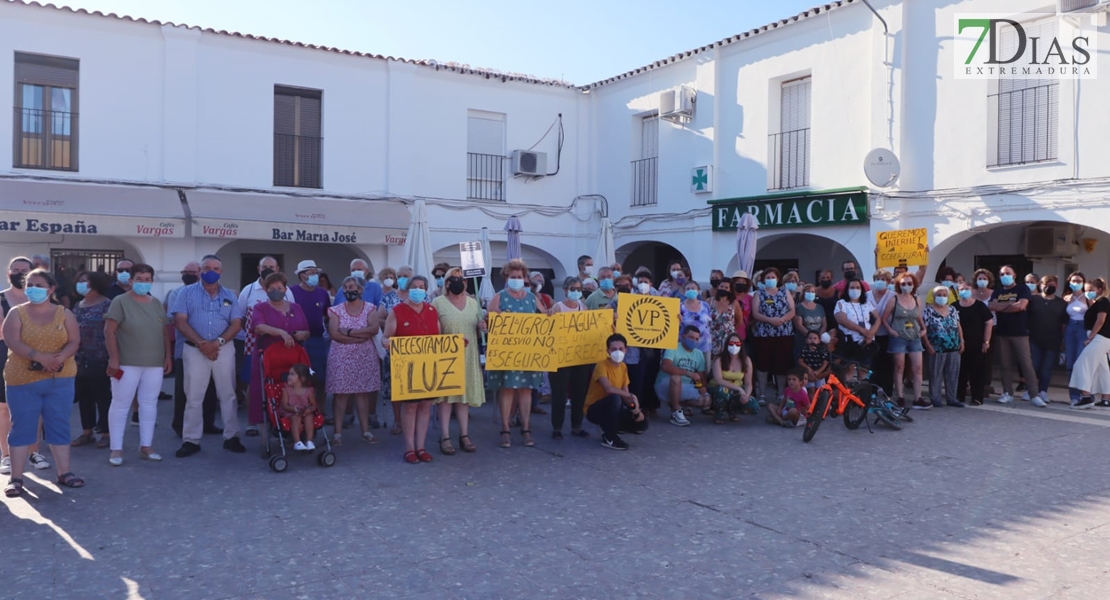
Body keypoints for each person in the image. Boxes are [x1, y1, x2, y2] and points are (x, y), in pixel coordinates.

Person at [2, 268, 83, 497]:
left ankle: (64, 473)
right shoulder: (16, 313)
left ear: (51, 289)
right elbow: (12, 341)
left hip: (60, 378)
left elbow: (74, 341)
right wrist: (40, 358)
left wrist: (58, 358)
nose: (33, 289)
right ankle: (16, 479)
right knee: (22, 428)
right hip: (22, 379)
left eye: (38, 285)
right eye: (30, 284)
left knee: (58, 424)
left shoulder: (64, 313)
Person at [171, 254, 245, 458]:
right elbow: (180, 321)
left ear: (221, 272)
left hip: (224, 349)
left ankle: (232, 437)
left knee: (228, 394)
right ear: (200, 270)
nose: (211, 272)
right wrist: (202, 344)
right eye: (206, 268)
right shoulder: (185, 293)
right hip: (194, 350)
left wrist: (217, 343)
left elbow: (236, 323)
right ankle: (191, 440)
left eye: (215, 268)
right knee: (194, 396)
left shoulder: (230, 294)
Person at [0, 257, 51, 476]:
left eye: (24, 270)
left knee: (35, 407)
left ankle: (34, 452)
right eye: (15, 269)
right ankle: (6, 456)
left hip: (38, 358)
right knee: (4, 408)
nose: (19, 273)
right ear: (8, 272)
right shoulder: (2, 299)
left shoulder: (43, 300)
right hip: (5, 356)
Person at [382, 275, 439, 462]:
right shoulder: (397, 311)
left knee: (425, 406)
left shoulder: (431, 310)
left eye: (422, 287)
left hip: (428, 366)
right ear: (408, 288)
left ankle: (421, 447)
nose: (418, 290)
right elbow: (386, 336)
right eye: (414, 286)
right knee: (410, 406)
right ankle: (409, 448)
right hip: (406, 367)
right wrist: (387, 343)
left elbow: (440, 338)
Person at [487, 259, 543, 448]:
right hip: (507, 353)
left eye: (520, 277)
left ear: (525, 278)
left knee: (526, 389)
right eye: (513, 277)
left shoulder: (531, 298)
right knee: (507, 388)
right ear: (506, 277)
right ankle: (505, 428)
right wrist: (494, 317)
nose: (517, 280)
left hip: (528, 351)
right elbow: (488, 321)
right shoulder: (499, 297)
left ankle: (526, 427)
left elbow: (546, 318)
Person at [238, 256, 294, 437]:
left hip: (281, 347)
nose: (268, 269)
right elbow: (240, 318)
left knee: (279, 383)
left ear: (278, 268)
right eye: (265, 267)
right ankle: (253, 422)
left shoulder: (287, 291)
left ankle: (277, 417)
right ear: (258, 268)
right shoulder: (248, 290)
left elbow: (292, 314)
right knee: (252, 384)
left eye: (272, 266)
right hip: (253, 346)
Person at [432, 267, 485, 454]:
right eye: (453, 278)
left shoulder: (474, 303)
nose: (457, 281)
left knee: (463, 398)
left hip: (469, 354)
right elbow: (433, 331)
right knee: (446, 398)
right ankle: (445, 436)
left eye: (461, 278)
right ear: (446, 282)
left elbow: (479, 333)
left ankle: (464, 434)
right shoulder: (437, 303)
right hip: (446, 356)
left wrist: (482, 328)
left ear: (466, 282)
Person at [168, 262, 221, 438]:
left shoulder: (216, 293)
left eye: (193, 272)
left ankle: (207, 423)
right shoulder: (177, 293)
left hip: (212, 350)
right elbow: (177, 321)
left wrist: (210, 344)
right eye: (186, 272)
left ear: (199, 273)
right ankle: (181, 426)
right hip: (186, 348)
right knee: (185, 391)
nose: (189, 274)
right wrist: (202, 343)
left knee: (210, 389)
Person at [326, 276, 380, 446]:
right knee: (341, 394)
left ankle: (365, 430)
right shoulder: (336, 310)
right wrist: (357, 337)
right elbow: (334, 333)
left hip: (364, 357)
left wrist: (349, 332)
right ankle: (337, 433)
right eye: (346, 287)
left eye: (353, 287)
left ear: (361, 290)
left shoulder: (370, 308)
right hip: (341, 357)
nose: (350, 290)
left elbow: (373, 329)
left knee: (363, 393)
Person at [71, 271, 112, 449]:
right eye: (79, 281)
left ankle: (106, 433)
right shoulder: (78, 305)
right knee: (84, 397)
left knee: (102, 398)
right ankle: (87, 432)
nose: (80, 284)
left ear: (95, 283)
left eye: (84, 281)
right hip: (79, 359)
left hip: (101, 357)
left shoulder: (107, 305)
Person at [987, 265, 1040, 406]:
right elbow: (991, 306)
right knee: (1005, 365)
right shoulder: (997, 291)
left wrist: (1002, 306)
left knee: (1026, 364)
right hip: (1002, 332)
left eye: (1007, 273)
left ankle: (1034, 394)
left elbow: (1021, 306)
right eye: (1002, 274)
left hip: (1020, 333)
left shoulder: (1023, 289)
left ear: (1014, 275)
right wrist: (1010, 304)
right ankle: (1007, 393)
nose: (1005, 276)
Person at [584, 334, 647, 450]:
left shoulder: (623, 367)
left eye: (621, 349)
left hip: (614, 406)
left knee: (642, 423)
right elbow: (609, 389)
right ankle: (609, 437)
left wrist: (636, 409)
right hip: (594, 409)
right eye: (614, 349)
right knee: (614, 398)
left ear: (626, 350)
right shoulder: (601, 365)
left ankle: (614, 426)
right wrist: (630, 395)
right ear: (608, 351)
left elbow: (625, 394)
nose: (618, 352)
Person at [548, 277, 592, 440]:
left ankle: (577, 426)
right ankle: (557, 427)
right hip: (560, 358)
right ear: (565, 290)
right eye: (573, 289)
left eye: (579, 289)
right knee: (559, 394)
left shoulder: (583, 307)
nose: (576, 292)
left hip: (580, 356)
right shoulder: (557, 307)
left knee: (579, 392)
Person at [378, 265, 417, 435]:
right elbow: (378, 317)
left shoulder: (421, 297)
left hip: (417, 350)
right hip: (395, 349)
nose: (402, 279)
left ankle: (413, 420)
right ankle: (398, 420)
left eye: (406, 276)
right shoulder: (388, 298)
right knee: (396, 386)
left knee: (415, 386)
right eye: (399, 276)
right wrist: (391, 325)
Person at [751, 267, 796, 402]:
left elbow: (792, 310)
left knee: (781, 365)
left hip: (784, 333)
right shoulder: (759, 294)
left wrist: (782, 320)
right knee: (763, 364)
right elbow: (755, 313)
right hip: (764, 334)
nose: (771, 280)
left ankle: (781, 393)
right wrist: (771, 320)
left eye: (773, 277)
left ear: (778, 279)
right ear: (764, 280)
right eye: (768, 278)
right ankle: (763, 394)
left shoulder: (785, 292)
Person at [883, 273, 927, 409]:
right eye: (903, 284)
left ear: (913, 285)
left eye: (909, 283)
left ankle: (917, 398)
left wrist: (924, 329)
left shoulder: (916, 299)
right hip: (899, 336)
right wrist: (891, 331)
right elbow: (884, 318)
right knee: (899, 367)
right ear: (898, 285)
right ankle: (900, 396)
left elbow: (918, 317)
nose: (906, 286)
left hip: (914, 336)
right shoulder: (894, 300)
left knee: (918, 368)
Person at [654, 325, 711, 427]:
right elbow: (665, 366)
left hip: (685, 386)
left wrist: (702, 387)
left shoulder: (699, 354)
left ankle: (681, 405)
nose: (694, 340)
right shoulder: (674, 347)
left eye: (696, 339)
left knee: (706, 400)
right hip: (665, 384)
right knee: (676, 378)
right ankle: (676, 411)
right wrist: (687, 373)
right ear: (683, 336)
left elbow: (702, 377)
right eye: (691, 337)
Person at [291, 260, 331, 402]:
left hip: (318, 340)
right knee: (299, 377)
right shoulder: (291, 292)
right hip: (298, 341)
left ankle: (319, 412)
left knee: (320, 378)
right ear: (302, 275)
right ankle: (299, 408)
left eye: (316, 273)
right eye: (311, 273)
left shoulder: (323, 293)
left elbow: (328, 316)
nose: (315, 276)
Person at [1070, 278, 1110, 410]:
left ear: (1099, 290)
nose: (1088, 292)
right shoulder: (1098, 302)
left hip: (1099, 338)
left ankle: (1086, 397)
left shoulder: (1102, 301)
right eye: (1086, 290)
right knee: (1103, 369)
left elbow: (1101, 320)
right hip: (1102, 339)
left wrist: (1090, 337)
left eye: (1091, 290)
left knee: (1081, 365)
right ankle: (1106, 399)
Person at [922, 285, 965, 408]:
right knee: (935, 374)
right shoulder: (928, 311)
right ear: (934, 297)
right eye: (939, 295)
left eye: (944, 295)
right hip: (936, 349)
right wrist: (928, 345)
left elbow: (958, 326)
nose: (942, 297)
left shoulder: (952, 309)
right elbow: (923, 329)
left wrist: (962, 341)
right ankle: (935, 399)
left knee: (953, 374)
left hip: (953, 347)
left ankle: (952, 398)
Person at [1027, 275, 1067, 405]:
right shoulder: (1033, 300)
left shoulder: (1061, 303)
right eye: (1045, 284)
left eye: (1052, 284)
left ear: (1056, 286)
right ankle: (1031, 390)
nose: (1048, 287)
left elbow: (1064, 323)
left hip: (1053, 340)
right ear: (1040, 285)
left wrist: (1063, 342)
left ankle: (1043, 391)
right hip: (1034, 338)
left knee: (1047, 368)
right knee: (1033, 366)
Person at [954, 282, 993, 406]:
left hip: (977, 344)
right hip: (959, 345)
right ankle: (959, 396)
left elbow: (989, 322)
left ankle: (977, 397)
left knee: (977, 372)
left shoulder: (979, 306)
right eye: (961, 289)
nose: (964, 291)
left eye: (966, 289)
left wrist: (986, 341)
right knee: (960, 372)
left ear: (971, 290)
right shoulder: (954, 306)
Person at [834, 279, 881, 376]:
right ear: (847, 290)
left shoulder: (867, 303)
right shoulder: (841, 303)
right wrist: (863, 331)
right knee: (848, 370)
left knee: (864, 371)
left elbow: (878, 319)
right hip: (849, 343)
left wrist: (870, 334)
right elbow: (842, 320)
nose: (855, 289)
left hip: (866, 342)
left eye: (857, 287)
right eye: (852, 287)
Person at [709, 333, 757, 424]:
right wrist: (739, 388)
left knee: (754, 407)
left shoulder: (746, 360)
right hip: (719, 388)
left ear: (741, 345)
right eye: (731, 344)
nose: (734, 346)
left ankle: (732, 410)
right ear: (727, 344)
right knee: (722, 391)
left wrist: (746, 395)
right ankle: (718, 413)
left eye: (737, 344)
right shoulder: (719, 359)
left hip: (736, 391)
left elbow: (748, 383)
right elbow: (719, 380)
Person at [867, 270, 897, 397]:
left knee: (887, 365)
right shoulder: (867, 295)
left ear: (889, 281)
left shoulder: (893, 295)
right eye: (878, 278)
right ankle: (872, 392)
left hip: (887, 334)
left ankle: (887, 393)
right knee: (873, 364)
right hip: (871, 334)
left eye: (883, 279)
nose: (880, 281)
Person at [1063, 272, 1090, 406]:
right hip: (1070, 328)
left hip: (1083, 329)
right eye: (1073, 281)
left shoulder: (1087, 296)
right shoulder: (1067, 298)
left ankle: (1084, 394)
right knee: (1070, 363)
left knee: (1080, 362)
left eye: (1079, 281)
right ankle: (1073, 395)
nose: (1076, 283)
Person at [280, 363, 318, 451]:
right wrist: (293, 409)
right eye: (289, 374)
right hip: (290, 412)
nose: (289, 376)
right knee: (296, 417)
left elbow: (314, 404)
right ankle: (297, 442)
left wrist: (309, 410)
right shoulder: (287, 390)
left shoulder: (308, 391)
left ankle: (309, 441)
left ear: (302, 378)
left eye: (292, 374)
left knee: (309, 417)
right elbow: (284, 405)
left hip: (304, 411)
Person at [679, 280, 712, 368]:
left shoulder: (705, 305)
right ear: (684, 291)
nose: (690, 290)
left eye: (693, 288)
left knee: (705, 369)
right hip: (687, 344)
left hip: (704, 343)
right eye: (688, 289)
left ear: (698, 290)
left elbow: (709, 322)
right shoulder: (679, 306)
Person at [709, 278, 740, 358]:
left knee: (727, 361)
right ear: (718, 287)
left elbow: (739, 321)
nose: (723, 289)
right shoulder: (709, 301)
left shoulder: (734, 303)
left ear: (730, 290)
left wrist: (729, 329)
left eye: (726, 287)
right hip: (712, 337)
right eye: (721, 286)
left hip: (728, 337)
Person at [793, 284, 826, 359]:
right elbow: (799, 325)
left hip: (818, 342)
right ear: (804, 293)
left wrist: (818, 337)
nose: (810, 293)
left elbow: (824, 324)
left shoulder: (820, 307)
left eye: (812, 292)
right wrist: (810, 337)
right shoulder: (799, 307)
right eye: (808, 291)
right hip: (803, 341)